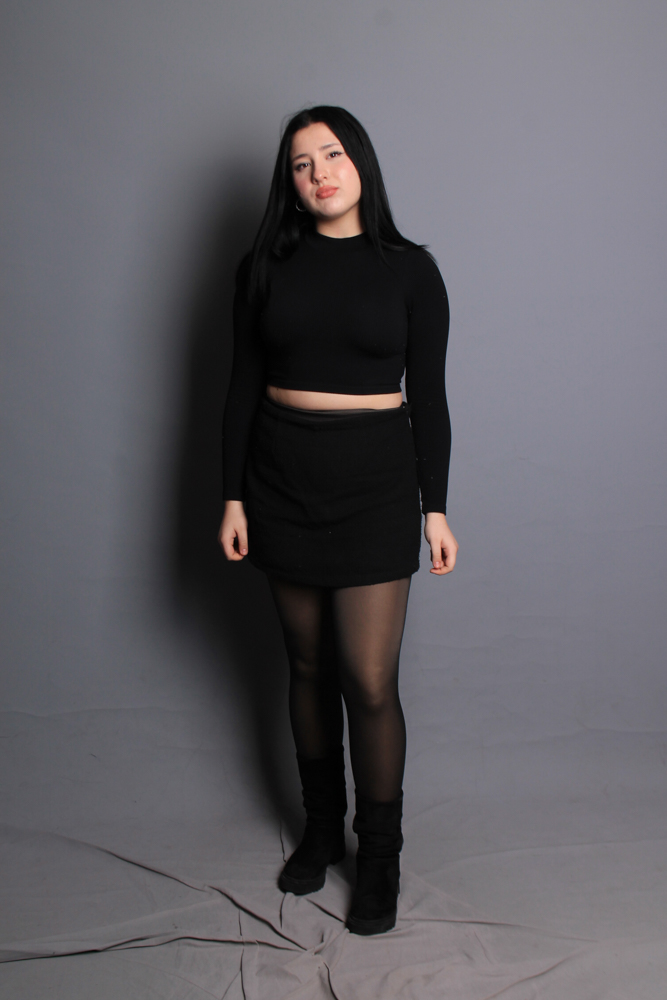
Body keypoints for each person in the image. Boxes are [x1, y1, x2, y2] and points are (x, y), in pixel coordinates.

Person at [218, 106, 457, 936]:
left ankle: (379, 859)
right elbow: (239, 386)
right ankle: (321, 831)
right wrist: (231, 496)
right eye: (301, 163)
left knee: (369, 679)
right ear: (289, 183)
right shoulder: (262, 266)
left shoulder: (411, 270)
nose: (319, 173)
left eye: (332, 155)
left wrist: (436, 508)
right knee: (307, 664)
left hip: (376, 485)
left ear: (360, 162)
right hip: (281, 476)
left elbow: (430, 397)